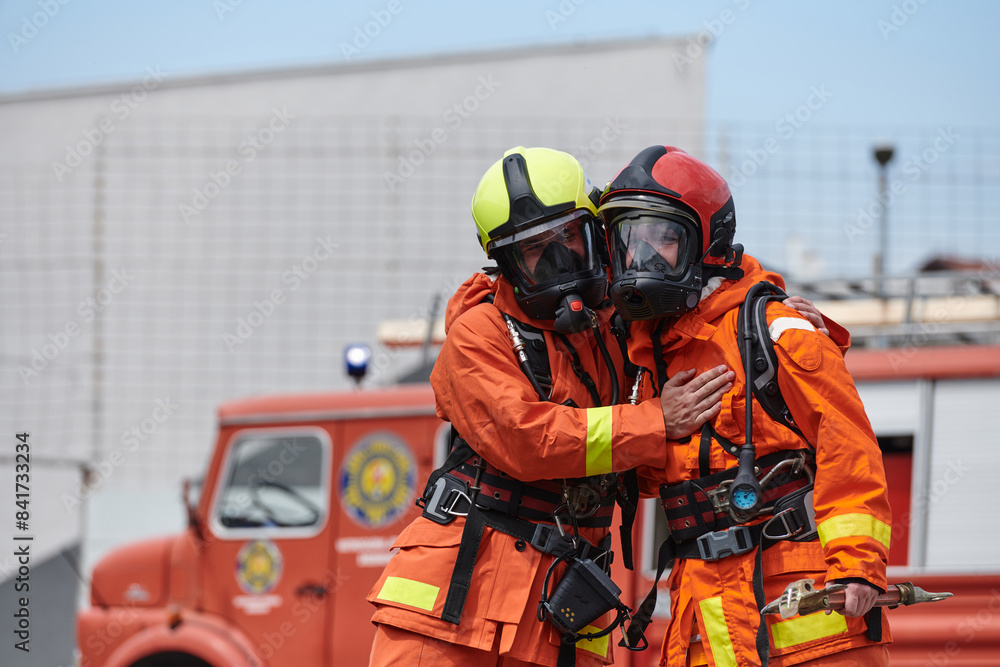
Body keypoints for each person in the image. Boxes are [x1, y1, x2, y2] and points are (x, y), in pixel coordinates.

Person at [367, 146, 734, 667]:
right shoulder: (478, 334)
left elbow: (710, 274)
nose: (558, 255)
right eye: (534, 248)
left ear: (597, 232)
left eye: (567, 235)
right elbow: (526, 440)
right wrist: (657, 420)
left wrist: (772, 303)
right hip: (452, 608)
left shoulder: (620, 329)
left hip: (564, 605)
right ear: (506, 262)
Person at [598, 145, 892, 666]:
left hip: (805, 610)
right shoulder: (648, 356)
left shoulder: (776, 330)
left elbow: (848, 446)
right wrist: (652, 421)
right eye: (630, 239)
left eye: (664, 237)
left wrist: (856, 566)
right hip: (703, 610)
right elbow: (644, 481)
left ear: (707, 242)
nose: (643, 257)